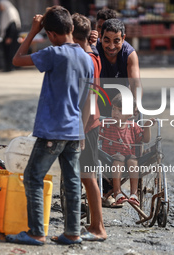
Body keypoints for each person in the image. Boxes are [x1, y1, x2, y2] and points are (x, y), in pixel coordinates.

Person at [5, 6, 94, 246]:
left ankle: (36, 233)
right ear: (72, 28)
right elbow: (88, 99)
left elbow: (16, 59)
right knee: (72, 182)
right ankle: (73, 232)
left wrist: (33, 32)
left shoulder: (54, 53)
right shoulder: (87, 60)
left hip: (53, 131)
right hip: (75, 131)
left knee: (33, 177)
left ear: (51, 34)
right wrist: (82, 131)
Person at [71, 13, 106, 241]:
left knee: (88, 175)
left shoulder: (89, 59)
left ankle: (98, 227)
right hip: (88, 122)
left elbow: (92, 97)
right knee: (85, 175)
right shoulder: (90, 52)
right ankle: (94, 224)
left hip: (89, 124)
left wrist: (82, 131)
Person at [99, 94, 154, 207]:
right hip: (109, 159)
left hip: (129, 159)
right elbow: (95, 135)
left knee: (133, 159)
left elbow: (145, 139)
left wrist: (147, 126)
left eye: (120, 110)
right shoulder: (106, 124)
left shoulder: (133, 126)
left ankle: (134, 194)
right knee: (119, 158)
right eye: (113, 109)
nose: (115, 112)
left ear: (129, 114)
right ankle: (117, 193)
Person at [0, 0, 21, 72]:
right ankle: (8, 67)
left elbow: (13, 25)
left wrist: (10, 37)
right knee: (7, 52)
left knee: (11, 52)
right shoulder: (5, 12)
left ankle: (11, 67)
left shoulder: (10, 11)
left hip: (11, 36)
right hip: (6, 35)